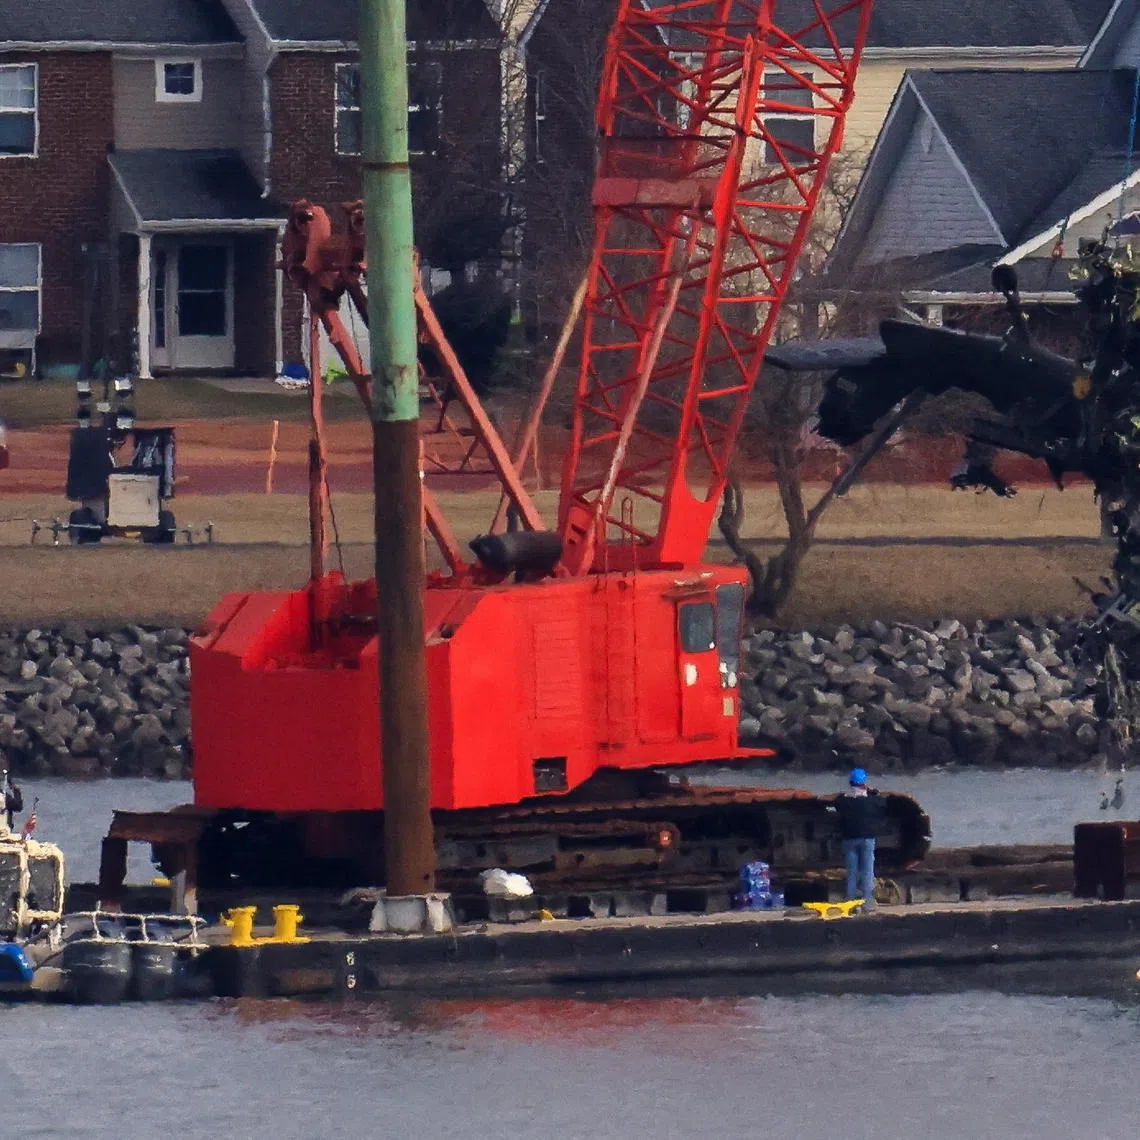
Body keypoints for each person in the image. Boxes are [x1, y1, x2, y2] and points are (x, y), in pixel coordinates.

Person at [832, 768, 882, 910]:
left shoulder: (844, 801)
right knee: (867, 869)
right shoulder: (872, 801)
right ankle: (867, 902)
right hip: (867, 838)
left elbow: (837, 801)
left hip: (849, 838)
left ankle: (851, 901)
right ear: (864, 783)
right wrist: (872, 792)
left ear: (850, 782)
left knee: (852, 871)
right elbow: (881, 804)